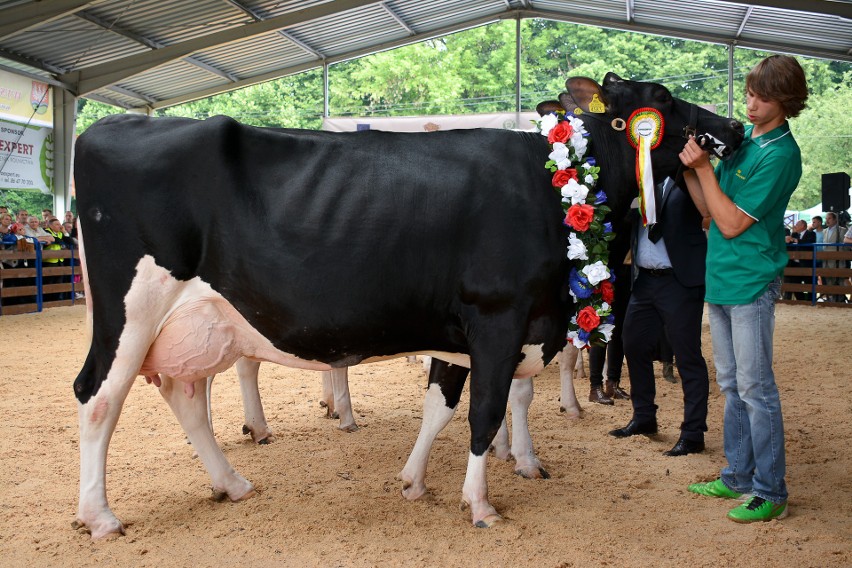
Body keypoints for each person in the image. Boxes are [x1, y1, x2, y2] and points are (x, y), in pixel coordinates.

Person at [679, 54, 808, 523]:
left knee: (756, 388)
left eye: (763, 97)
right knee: (732, 384)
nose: (751, 104)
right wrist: (694, 169)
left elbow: (732, 224)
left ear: (787, 102)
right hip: (722, 277)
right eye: (751, 93)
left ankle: (771, 491)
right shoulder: (745, 142)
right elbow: (710, 215)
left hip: (752, 279)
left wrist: (707, 172)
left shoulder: (780, 154)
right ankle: (736, 475)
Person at [609, 176, 709, 458]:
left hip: (680, 280)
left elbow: (706, 213)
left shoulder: (689, 177)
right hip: (644, 281)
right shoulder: (640, 180)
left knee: (687, 356)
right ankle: (644, 417)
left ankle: (692, 433)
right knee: (634, 345)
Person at [786, 219, 816, 300]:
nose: (795, 226)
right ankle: (801, 300)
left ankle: (810, 301)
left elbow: (809, 242)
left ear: (803, 225)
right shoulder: (795, 234)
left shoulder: (811, 233)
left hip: (806, 264)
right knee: (794, 284)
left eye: (797, 224)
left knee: (809, 283)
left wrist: (796, 240)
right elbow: (790, 244)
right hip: (795, 264)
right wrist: (788, 239)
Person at [822, 212, 844, 301]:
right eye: (826, 218)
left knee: (839, 279)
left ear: (835, 220)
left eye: (829, 218)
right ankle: (831, 298)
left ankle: (840, 298)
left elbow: (843, 247)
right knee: (828, 279)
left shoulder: (842, 230)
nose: (827, 220)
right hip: (826, 259)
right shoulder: (824, 231)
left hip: (836, 259)